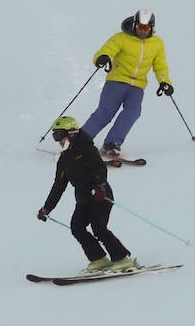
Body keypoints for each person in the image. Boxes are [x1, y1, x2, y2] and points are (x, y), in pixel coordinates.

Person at [38, 116, 137, 274]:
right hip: (83, 199)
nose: (58, 140)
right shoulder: (64, 159)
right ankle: (99, 259)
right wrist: (47, 208)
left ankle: (122, 258)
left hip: (100, 196)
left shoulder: (87, 149)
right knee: (77, 227)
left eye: (59, 135)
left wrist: (100, 186)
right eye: (55, 136)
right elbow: (58, 186)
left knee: (98, 228)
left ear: (72, 133)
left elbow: (100, 169)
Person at [83, 9, 174, 158]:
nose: (142, 31)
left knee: (133, 111)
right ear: (134, 25)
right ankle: (81, 141)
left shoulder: (157, 44)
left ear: (151, 27)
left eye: (145, 28)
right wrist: (102, 57)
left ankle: (111, 143)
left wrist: (165, 82)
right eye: (139, 27)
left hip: (138, 86)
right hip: (117, 80)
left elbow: (160, 66)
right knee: (105, 112)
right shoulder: (121, 38)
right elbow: (107, 50)